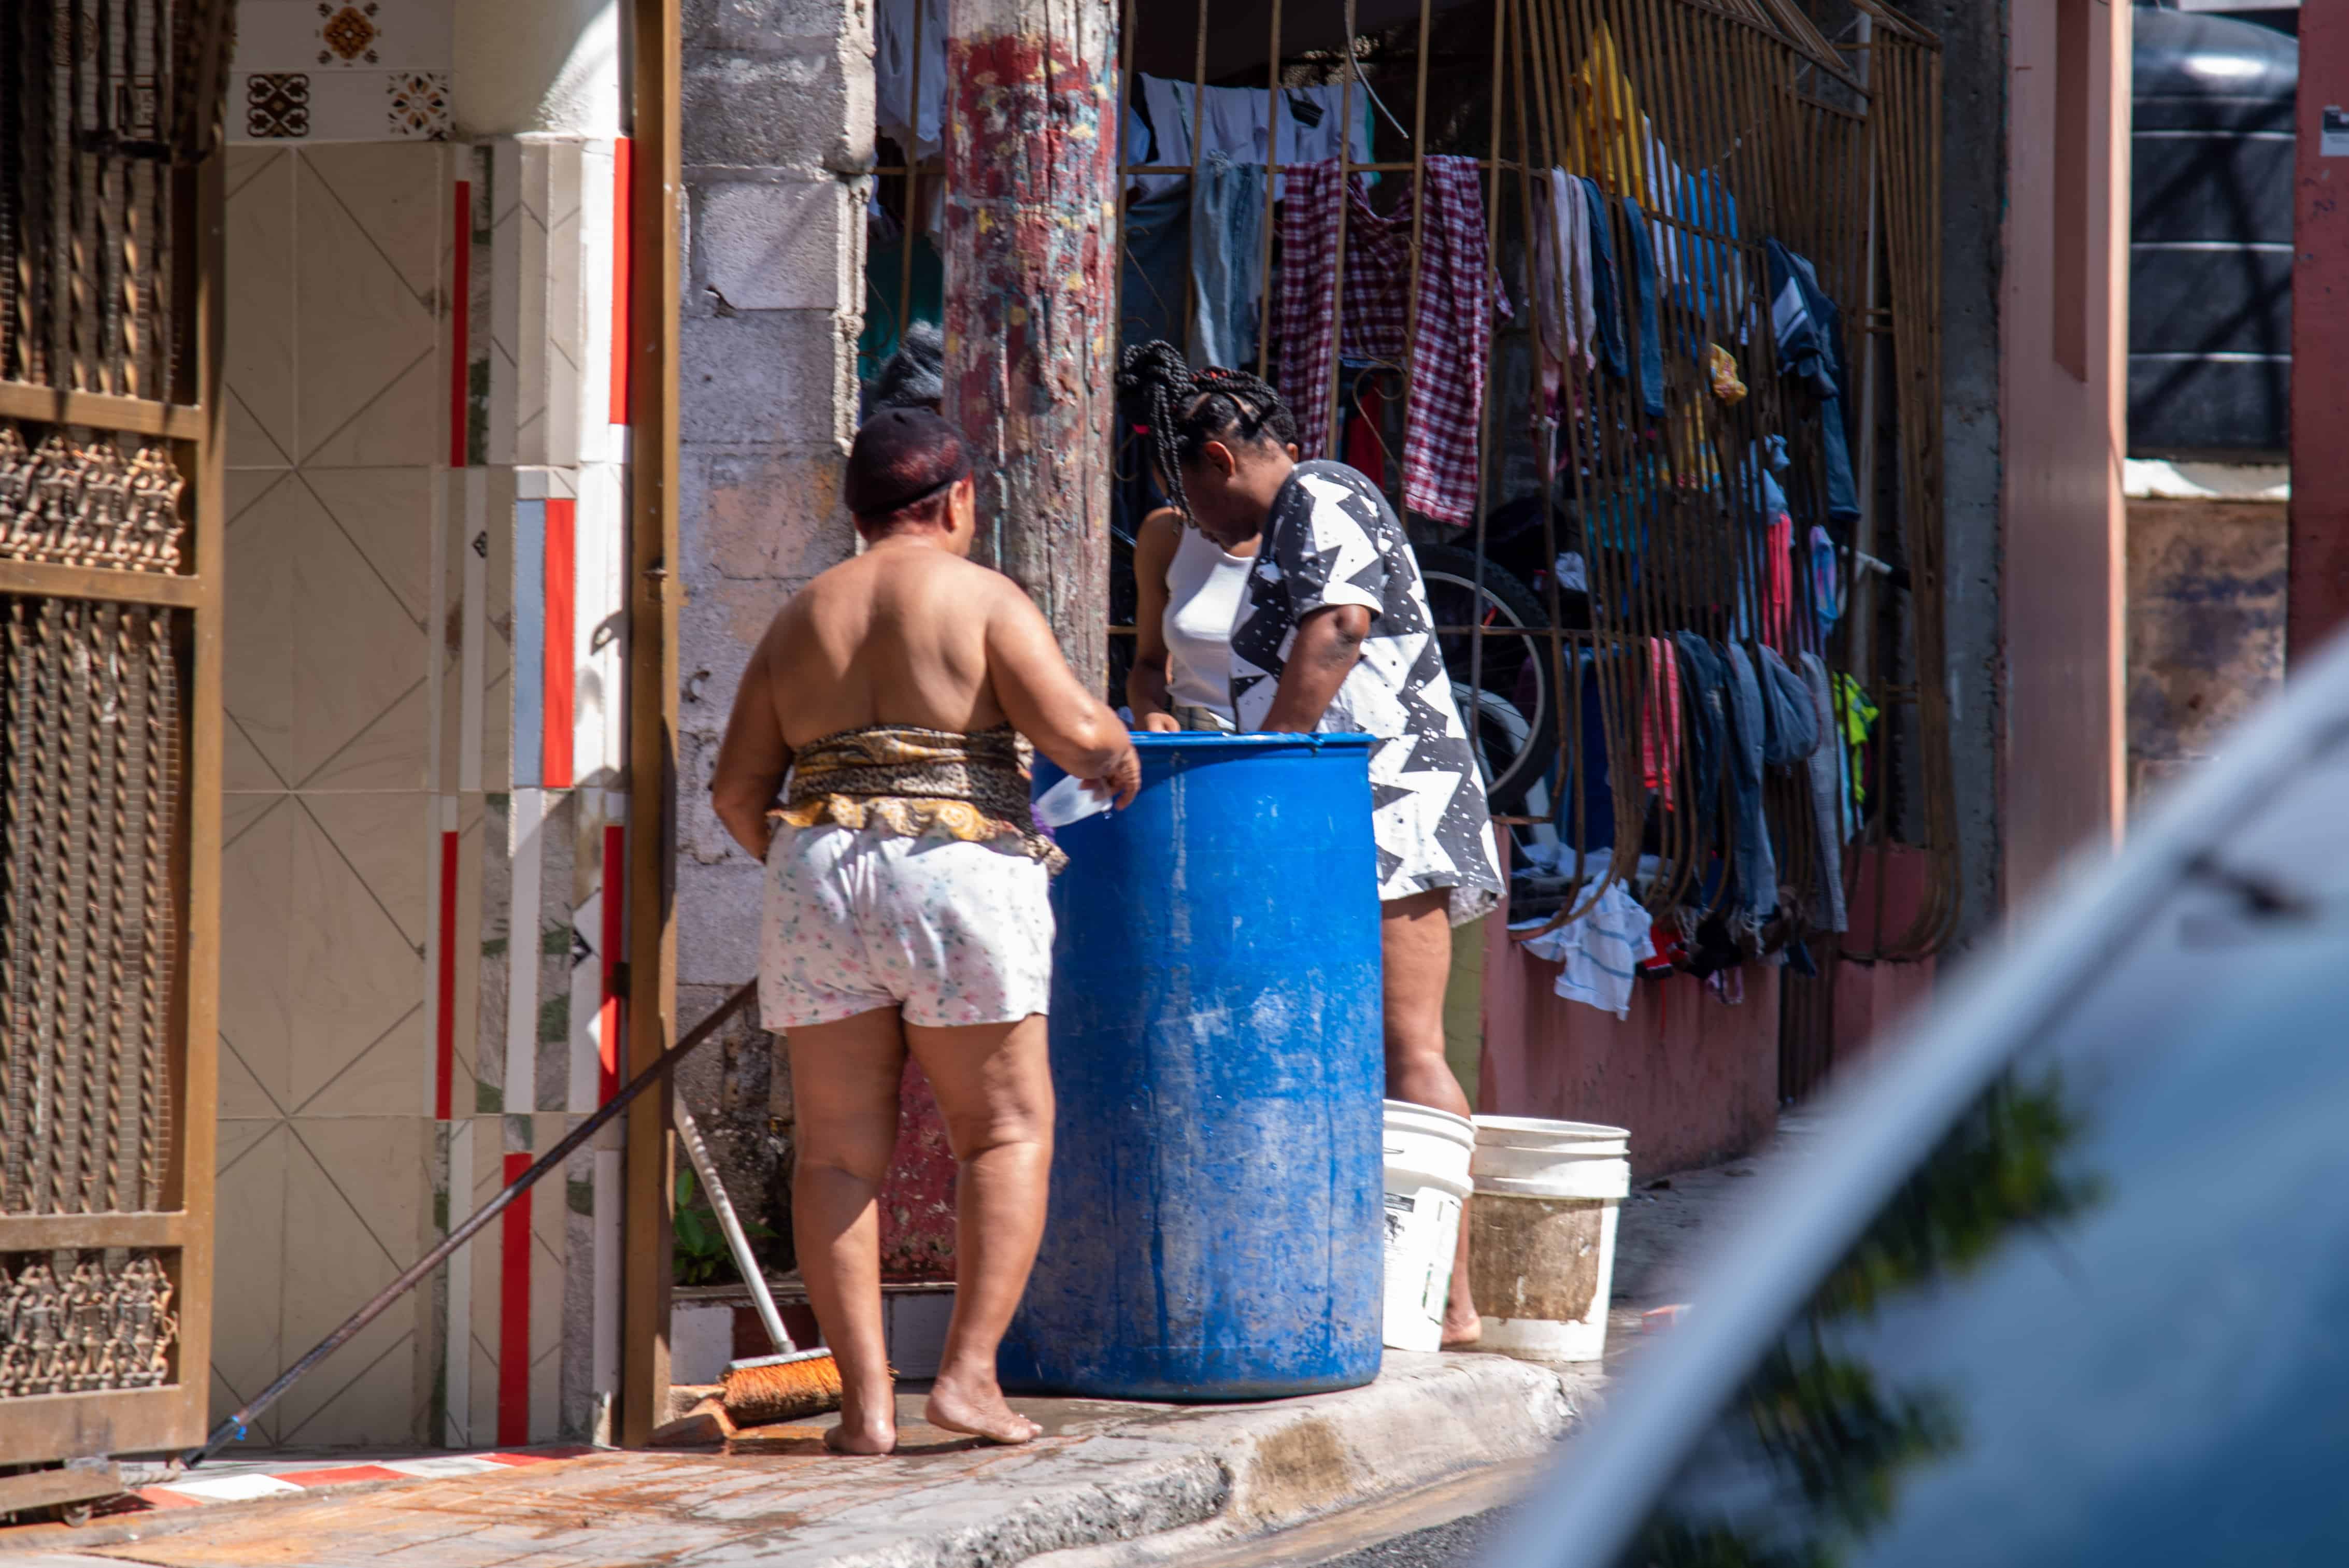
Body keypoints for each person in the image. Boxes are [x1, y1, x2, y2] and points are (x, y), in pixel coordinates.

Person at [709, 408, 1141, 1452]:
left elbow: (733, 793)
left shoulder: (800, 615)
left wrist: (820, 867)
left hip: (817, 870)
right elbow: (1074, 733)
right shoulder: (980, 596)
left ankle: (866, 1408)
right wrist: (1117, 749)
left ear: (857, 514)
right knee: (998, 1131)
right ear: (956, 501)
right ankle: (967, 1381)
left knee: (835, 1156)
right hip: (959, 870)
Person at [1117, 341, 1505, 1347]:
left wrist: (1271, 766)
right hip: (1312, 804)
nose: (1200, 521)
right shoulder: (1266, 523)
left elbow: (1336, 628)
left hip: (1385, 804)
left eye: (1194, 494)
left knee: (1406, 1044)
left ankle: (1452, 1299)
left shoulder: (1325, 490)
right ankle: (1365, 1277)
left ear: (1216, 458)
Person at [1124, 468, 1258, 732]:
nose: (1184, 510)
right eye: (1175, 495)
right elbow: (1150, 662)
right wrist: (1147, 710)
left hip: (1292, 748)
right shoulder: (1167, 535)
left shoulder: (1314, 533)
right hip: (1195, 744)